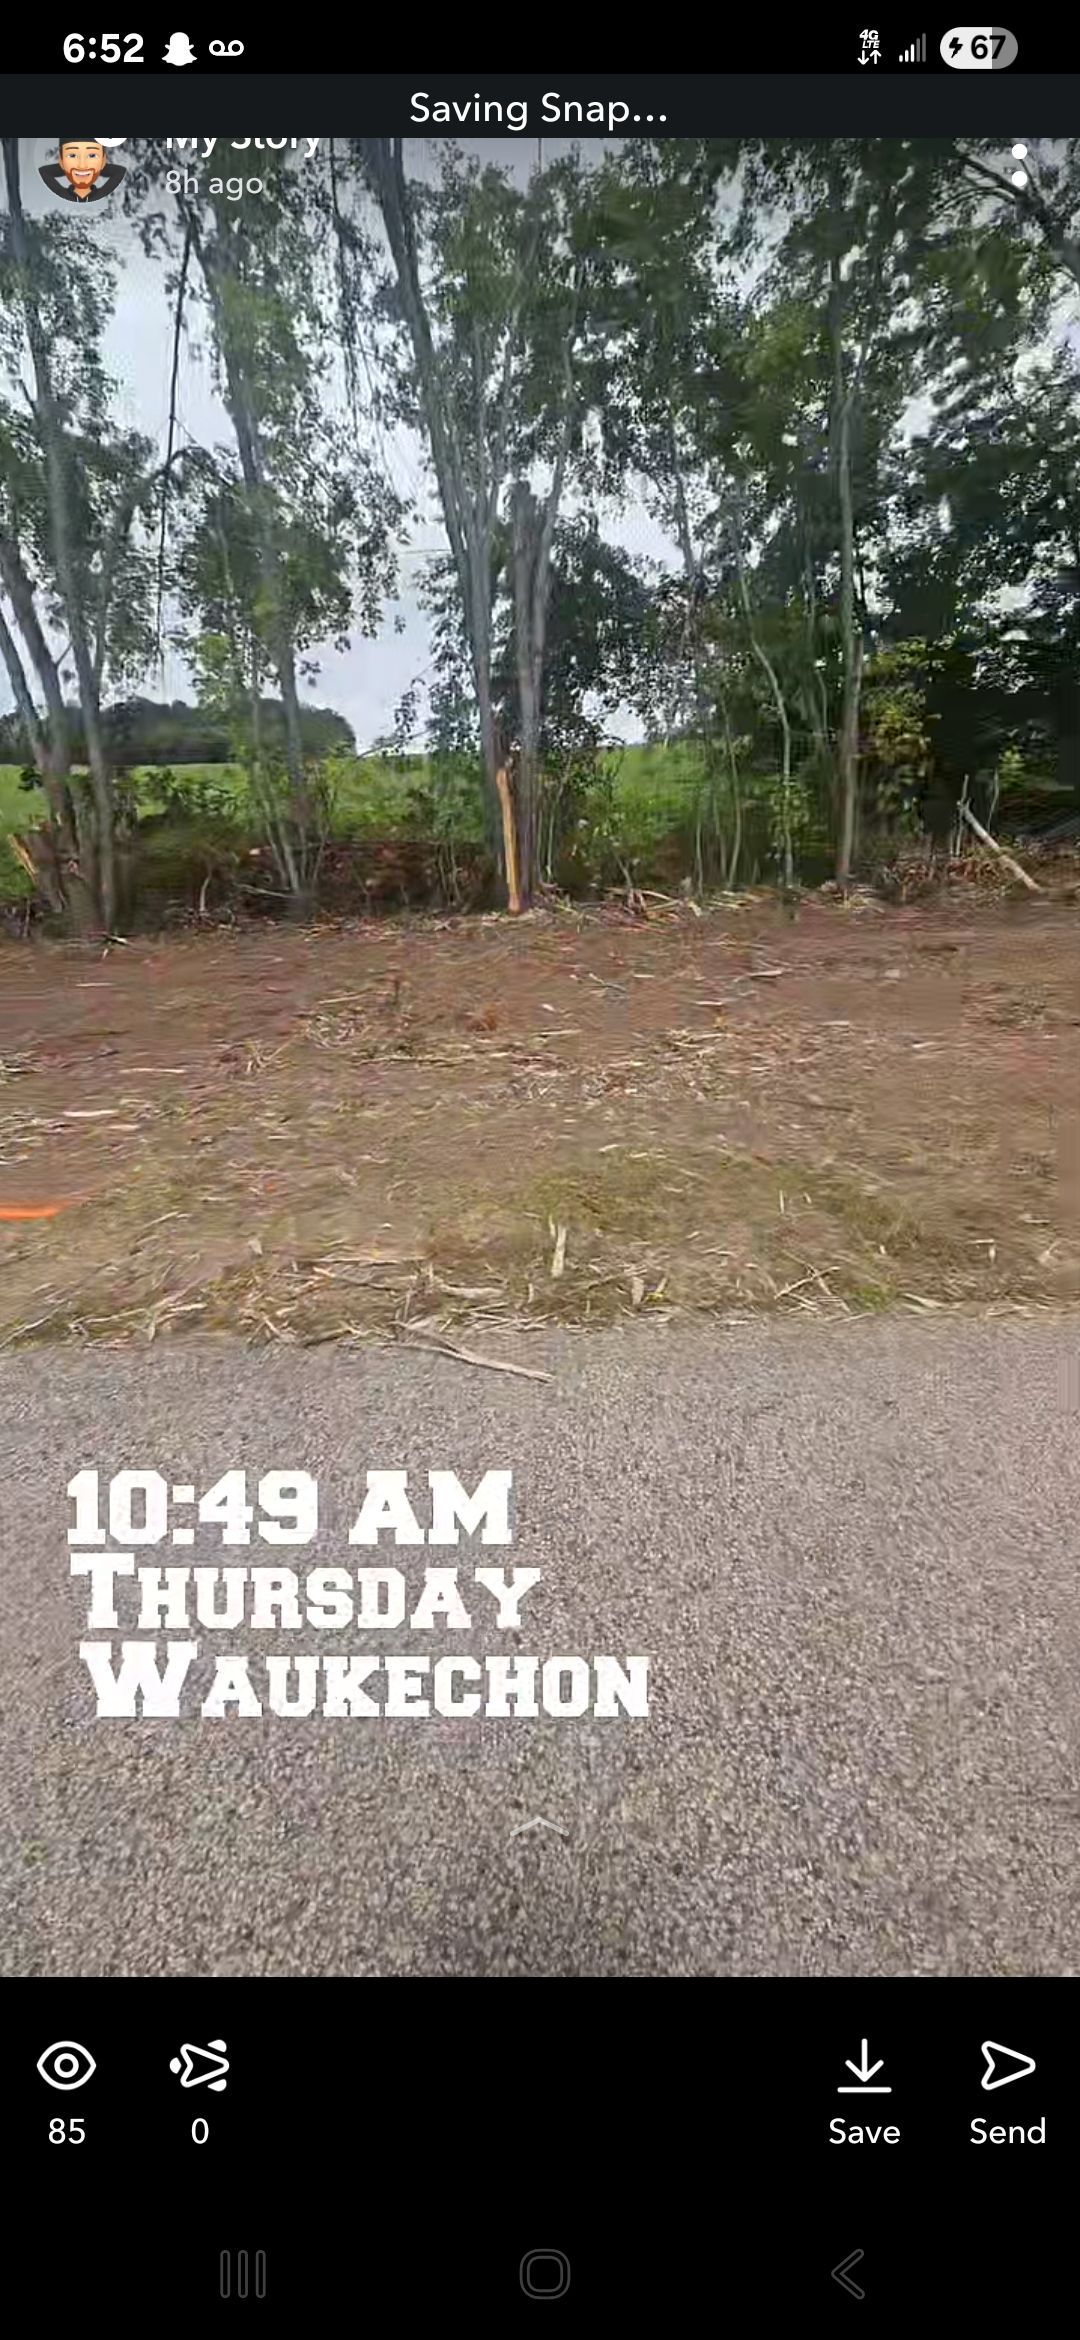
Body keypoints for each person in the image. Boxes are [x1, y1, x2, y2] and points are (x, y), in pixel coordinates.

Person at [39, 139, 126, 204]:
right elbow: (44, 171)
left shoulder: (102, 194)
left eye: (92, 155)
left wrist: (98, 167)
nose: (82, 166)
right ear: (61, 161)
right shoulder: (63, 194)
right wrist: (66, 167)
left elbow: (119, 171)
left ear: (103, 160)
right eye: (72, 155)